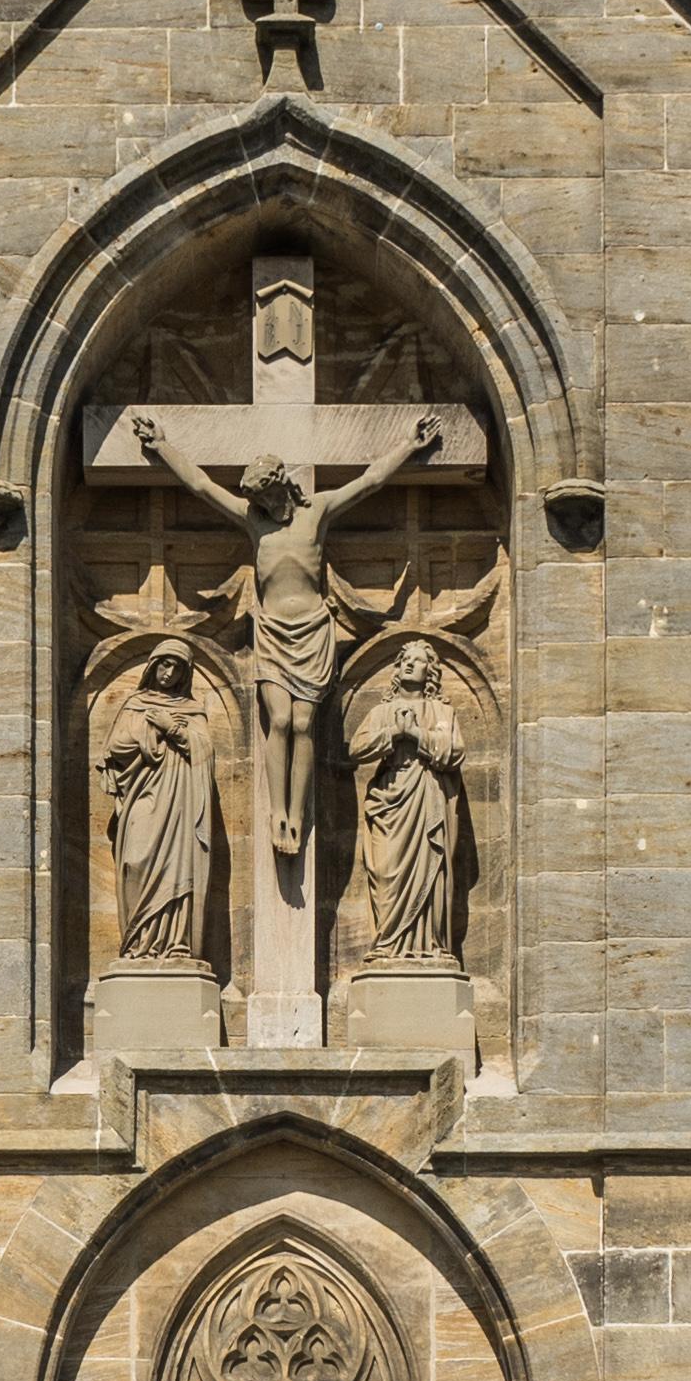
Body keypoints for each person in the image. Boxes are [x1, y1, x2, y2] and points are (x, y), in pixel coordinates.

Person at [127, 407, 440, 854]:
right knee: (278, 719)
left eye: (268, 499)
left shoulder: (318, 512)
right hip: (273, 630)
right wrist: (161, 448)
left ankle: (298, 813)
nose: (263, 508)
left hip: (313, 630)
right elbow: (200, 486)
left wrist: (408, 447)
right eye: (258, 502)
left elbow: (370, 481)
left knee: (304, 721)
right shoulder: (254, 521)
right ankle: (278, 814)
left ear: (283, 488)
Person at [348, 640, 464, 965]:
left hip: (427, 795)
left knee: (430, 866)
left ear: (430, 672)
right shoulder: (381, 712)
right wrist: (392, 734)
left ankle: (430, 945)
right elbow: (356, 749)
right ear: (397, 670)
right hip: (391, 798)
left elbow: (455, 751)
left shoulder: (444, 712)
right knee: (385, 872)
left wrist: (417, 736)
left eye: (418, 661)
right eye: (405, 661)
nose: (410, 665)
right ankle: (387, 942)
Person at [98, 648, 215, 963]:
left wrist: (172, 728)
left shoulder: (191, 709)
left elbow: (204, 752)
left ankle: (175, 942)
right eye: (165, 666)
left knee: (178, 866)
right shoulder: (135, 705)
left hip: (180, 802)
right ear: (153, 667)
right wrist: (151, 732)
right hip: (143, 795)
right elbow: (116, 747)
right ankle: (138, 943)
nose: (169, 674)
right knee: (135, 861)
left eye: (177, 669)